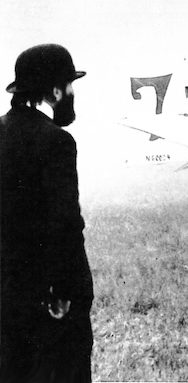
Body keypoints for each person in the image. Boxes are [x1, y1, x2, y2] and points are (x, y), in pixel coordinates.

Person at [0, 44, 94, 383]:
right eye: (69, 85)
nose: (71, 93)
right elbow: (66, 225)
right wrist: (64, 291)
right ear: (55, 90)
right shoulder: (57, 142)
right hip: (51, 305)